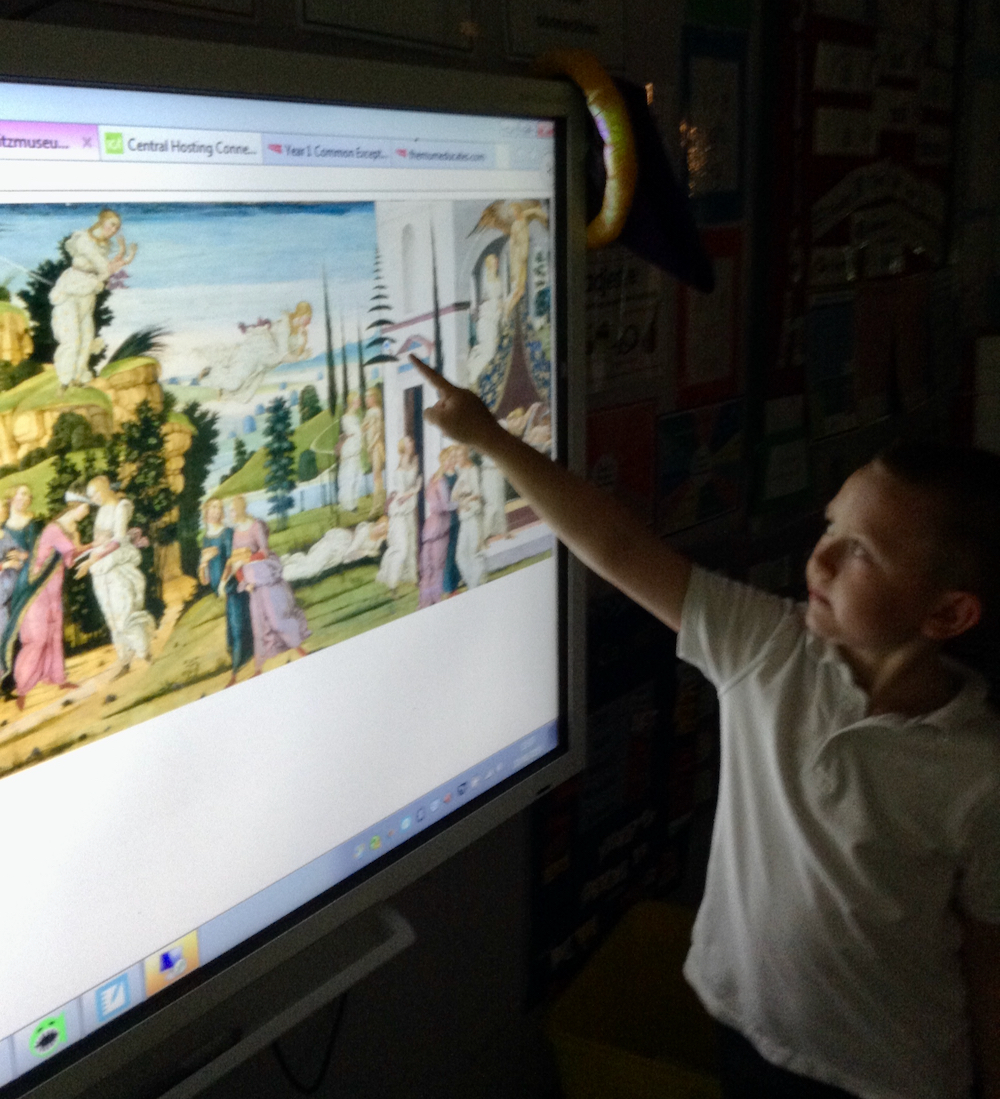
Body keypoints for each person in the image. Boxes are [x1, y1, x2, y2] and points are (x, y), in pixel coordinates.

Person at [409, 354, 1000, 1099]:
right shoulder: (768, 648)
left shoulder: (980, 772)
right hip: (744, 1025)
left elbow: (988, 956)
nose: (818, 558)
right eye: (831, 525)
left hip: (885, 1076)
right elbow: (617, 545)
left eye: (860, 552)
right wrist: (491, 439)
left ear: (946, 613)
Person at [12, 496, 91, 710]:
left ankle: (58, 678)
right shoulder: (54, 529)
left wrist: (84, 544)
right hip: (38, 590)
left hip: (54, 589)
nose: (87, 511)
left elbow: (70, 560)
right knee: (38, 638)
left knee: (55, 633)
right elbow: (71, 551)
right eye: (85, 506)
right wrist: (94, 545)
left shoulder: (69, 530)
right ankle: (22, 688)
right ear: (74, 507)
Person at [49, 208, 137, 388]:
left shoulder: (103, 245)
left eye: (116, 228)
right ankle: (64, 380)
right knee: (71, 338)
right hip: (71, 290)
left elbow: (106, 268)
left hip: (88, 293)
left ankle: (79, 377)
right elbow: (103, 267)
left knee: (87, 337)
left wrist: (124, 256)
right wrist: (115, 264)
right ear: (102, 221)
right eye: (111, 225)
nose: (113, 231)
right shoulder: (84, 240)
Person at [222, 495, 309, 675]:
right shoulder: (237, 533)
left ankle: (298, 647)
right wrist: (243, 582)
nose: (230, 513)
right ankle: (259, 667)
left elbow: (264, 551)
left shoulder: (255, 526)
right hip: (251, 581)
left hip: (265, 574)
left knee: (277, 619)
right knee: (259, 623)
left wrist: (247, 559)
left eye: (231, 510)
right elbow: (235, 560)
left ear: (239, 509)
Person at [79, 475, 154, 678]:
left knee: (124, 612)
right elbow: (99, 540)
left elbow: (118, 540)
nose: (93, 499)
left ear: (103, 489)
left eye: (94, 494)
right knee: (111, 616)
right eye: (90, 496)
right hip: (101, 568)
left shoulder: (121, 506)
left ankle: (145, 654)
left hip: (116, 563)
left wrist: (92, 559)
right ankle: (124, 660)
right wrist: (85, 550)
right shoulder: (102, 510)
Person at [199, 497, 253, 688]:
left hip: (233, 587)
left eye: (219, 508)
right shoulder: (206, 538)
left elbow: (232, 561)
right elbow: (203, 578)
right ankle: (239, 668)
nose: (216, 511)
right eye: (213, 507)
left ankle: (236, 674)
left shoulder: (227, 532)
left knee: (237, 630)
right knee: (231, 635)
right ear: (206, 511)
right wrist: (204, 564)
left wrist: (222, 584)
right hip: (224, 592)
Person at [377, 434, 421, 593]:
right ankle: (392, 584)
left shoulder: (414, 461)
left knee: (412, 545)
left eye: (412, 441)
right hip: (399, 513)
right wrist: (415, 489)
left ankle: (413, 578)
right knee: (401, 548)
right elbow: (401, 497)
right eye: (409, 441)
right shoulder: (400, 468)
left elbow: (415, 476)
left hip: (409, 511)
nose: (412, 443)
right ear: (403, 446)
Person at [418, 447, 456, 609]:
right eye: (449, 459)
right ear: (444, 461)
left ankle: (426, 601)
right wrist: (462, 501)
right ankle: (432, 600)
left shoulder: (433, 478)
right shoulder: (440, 481)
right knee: (436, 565)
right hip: (439, 525)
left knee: (428, 566)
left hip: (431, 525)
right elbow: (447, 505)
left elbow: (432, 501)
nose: (452, 462)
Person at [452, 445, 486, 589]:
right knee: (460, 556)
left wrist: (466, 501)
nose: (457, 459)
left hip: (473, 515)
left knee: (474, 552)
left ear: (465, 456)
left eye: (459, 456)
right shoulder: (459, 471)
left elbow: (478, 494)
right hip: (463, 517)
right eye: (455, 457)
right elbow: (454, 495)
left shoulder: (473, 469)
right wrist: (459, 501)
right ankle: (472, 584)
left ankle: (475, 586)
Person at [337, 393, 364, 512]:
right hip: (350, 449)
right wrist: (363, 429)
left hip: (355, 448)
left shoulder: (356, 417)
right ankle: (349, 504)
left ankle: (353, 502)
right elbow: (356, 431)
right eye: (357, 401)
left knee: (357, 476)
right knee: (349, 476)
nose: (359, 403)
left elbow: (357, 433)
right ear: (352, 402)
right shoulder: (346, 417)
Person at [362, 388, 386, 518]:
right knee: (376, 476)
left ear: (374, 398)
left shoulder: (376, 411)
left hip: (376, 447)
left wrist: (371, 446)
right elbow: (364, 426)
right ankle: (377, 506)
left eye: (368, 397)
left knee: (377, 476)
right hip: (371, 447)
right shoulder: (371, 412)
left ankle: (377, 507)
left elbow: (377, 432)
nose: (366, 400)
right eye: (365, 397)